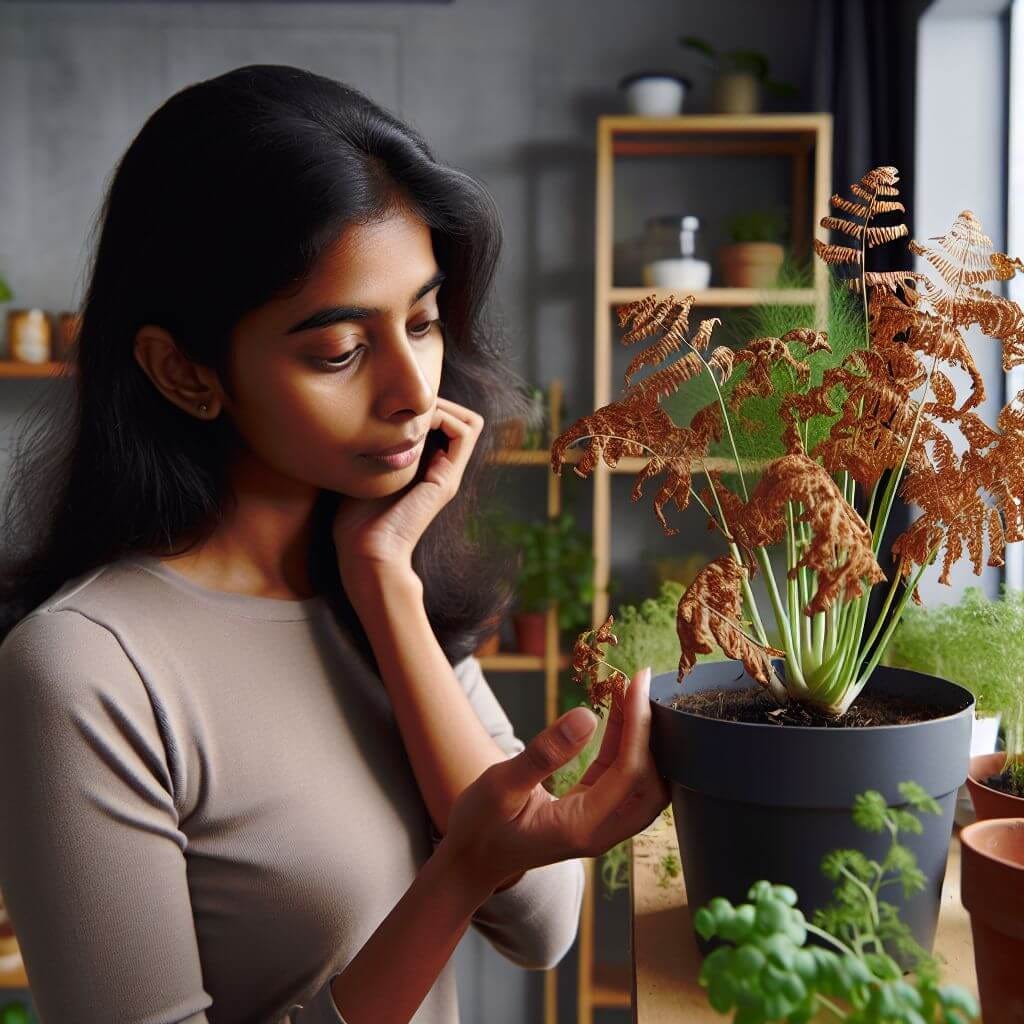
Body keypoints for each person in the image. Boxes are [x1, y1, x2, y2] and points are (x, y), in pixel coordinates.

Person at [0, 65, 670, 1024]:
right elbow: (490, 873)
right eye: (339, 351)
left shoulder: (377, 579)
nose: (411, 387)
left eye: (426, 320)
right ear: (184, 373)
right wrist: (456, 875)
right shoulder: (86, 668)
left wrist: (385, 584)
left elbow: (539, 920)